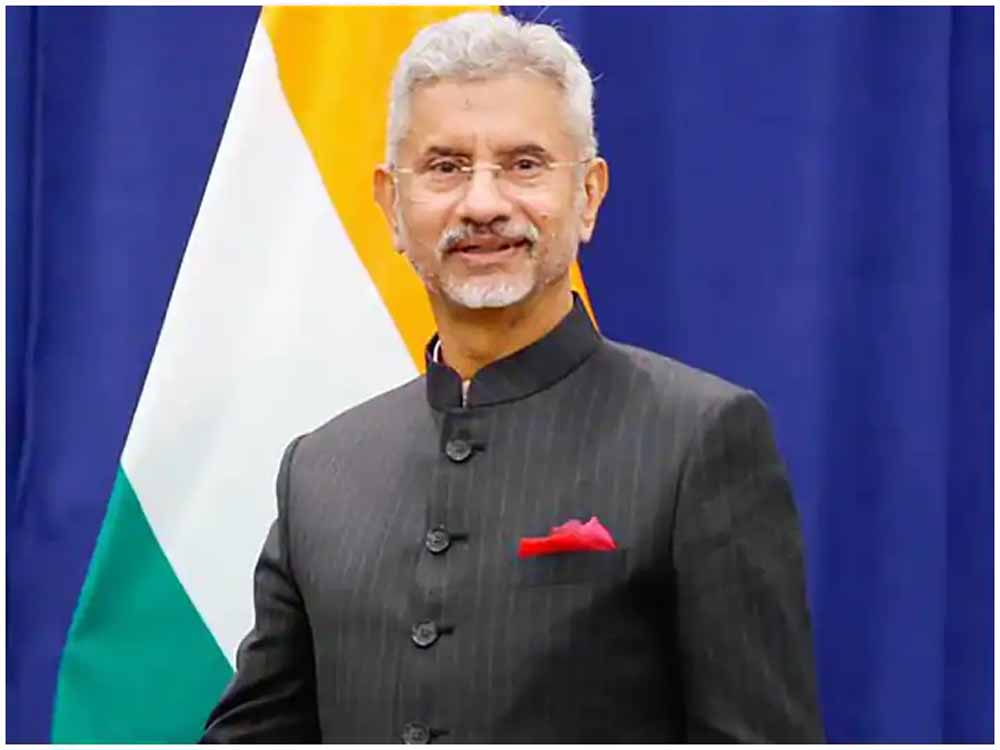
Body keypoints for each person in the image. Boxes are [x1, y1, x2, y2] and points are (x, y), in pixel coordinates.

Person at [201, 12, 824, 743]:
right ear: (391, 204)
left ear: (588, 195)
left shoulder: (698, 440)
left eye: (525, 164)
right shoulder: (320, 469)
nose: (484, 204)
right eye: (445, 167)